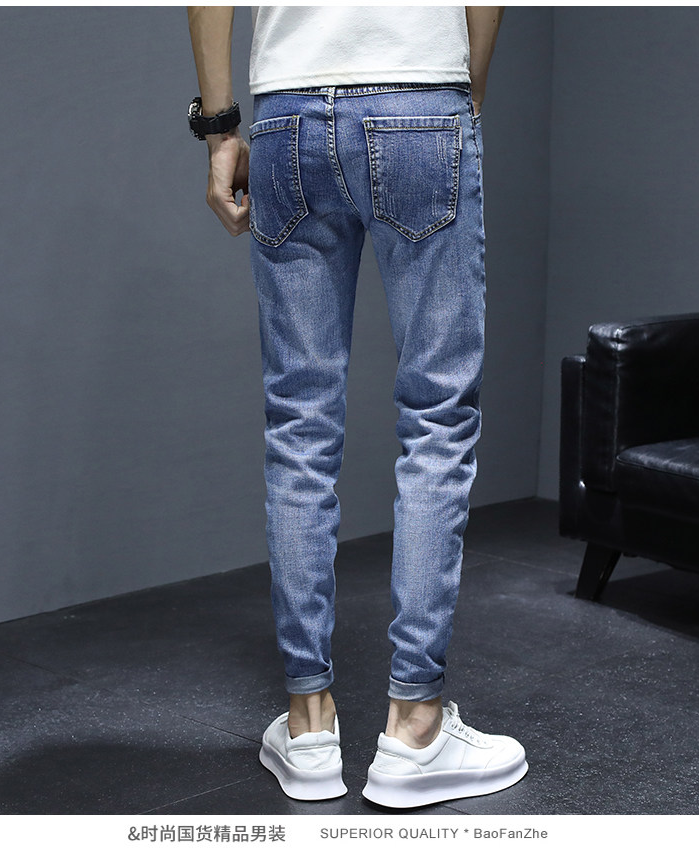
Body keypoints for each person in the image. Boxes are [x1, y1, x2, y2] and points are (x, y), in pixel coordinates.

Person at [187, 5, 527, 809]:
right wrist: (464, 94)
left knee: (299, 423)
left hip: (287, 114)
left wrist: (220, 130)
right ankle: (415, 729)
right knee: (438, 417)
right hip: (422, 94)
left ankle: (309, 727)